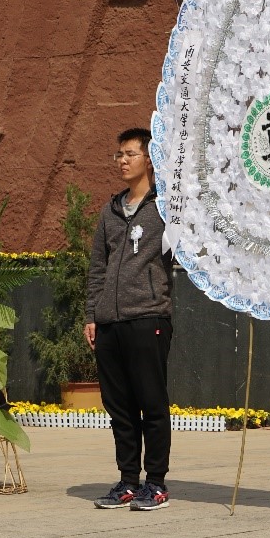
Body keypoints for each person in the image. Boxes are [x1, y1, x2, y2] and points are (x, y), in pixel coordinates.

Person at [84, 127, 175, 511]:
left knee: (151, 403)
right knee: (119, 407)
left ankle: (155, 483)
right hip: (110, 322)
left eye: (130, 154)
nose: (122, 161)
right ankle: (127, 481)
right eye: (118, 154)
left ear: (149, 160)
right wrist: (92, 315)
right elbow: (98, 268)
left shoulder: (166, 208)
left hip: (148, 317)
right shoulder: (111, 210)